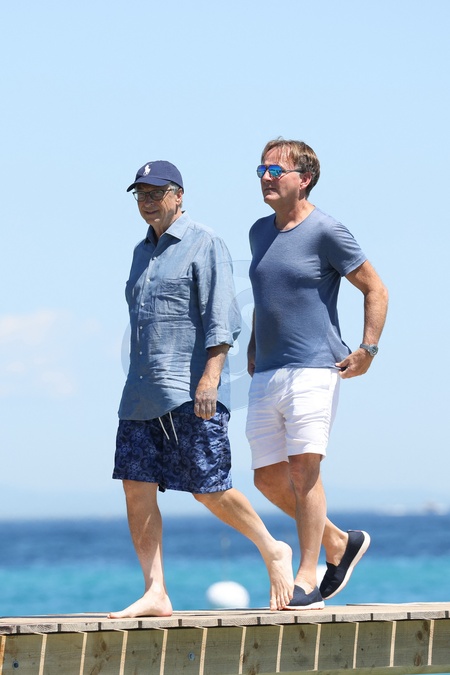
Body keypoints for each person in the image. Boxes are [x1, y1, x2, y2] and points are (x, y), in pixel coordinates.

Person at [108, 160, 294, 619]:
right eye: (141, 194)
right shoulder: (139, 253)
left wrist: (210, 379)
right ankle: (156, 591)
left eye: (157, 193)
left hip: (190, 391)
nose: (148, 201)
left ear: (179, 196)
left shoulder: (204, 242)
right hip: (139, 394)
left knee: (208, 488)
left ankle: (272, 548)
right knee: (136, 486)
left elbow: (222, 320)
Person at [246, 139, 388, 609]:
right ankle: (338, 541)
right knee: (267, 478)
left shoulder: (328, 230)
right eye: (261, 170)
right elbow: (267, 298)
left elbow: (375, 288)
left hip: (313, 367)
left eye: (275, 170)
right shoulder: (258, 232)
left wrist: (367, 348)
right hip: (267, 370)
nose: (266, 177)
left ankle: (308, 576)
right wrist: (253, 344)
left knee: (304, 469)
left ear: (304, 178)